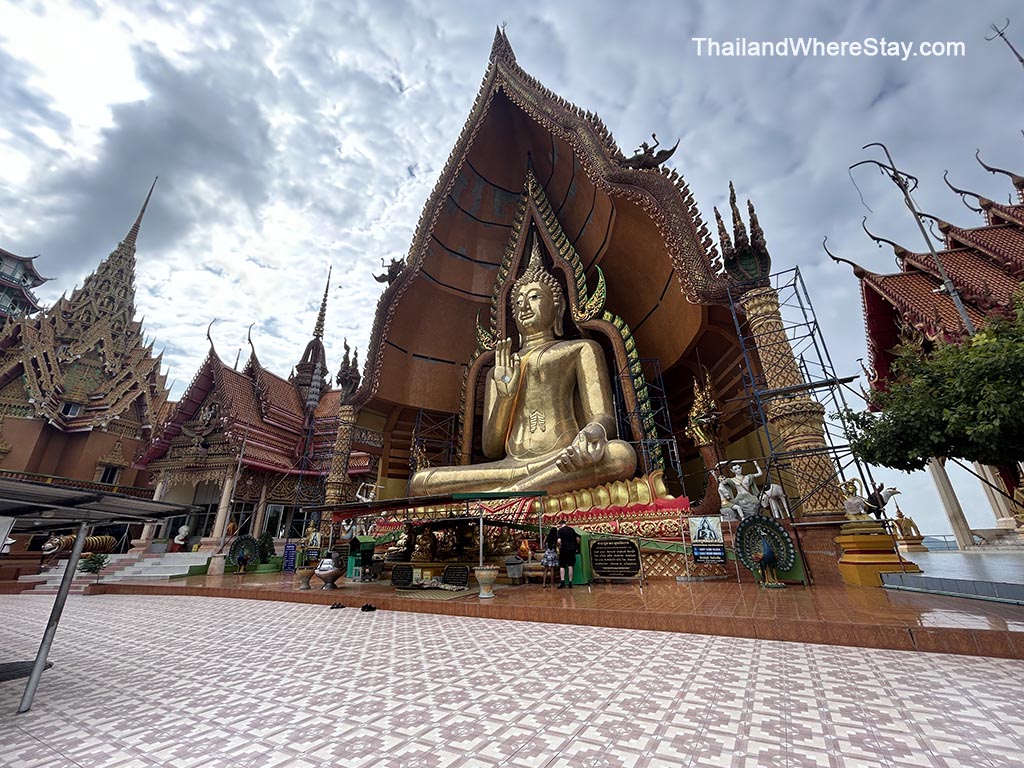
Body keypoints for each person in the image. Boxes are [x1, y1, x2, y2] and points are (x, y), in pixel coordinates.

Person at [409, 241, 636, 496]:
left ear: (558, 307)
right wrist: (506, 397)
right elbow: (492, 449)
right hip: (510, 467)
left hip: (562, 460)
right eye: (517, 302)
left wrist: (592, 433)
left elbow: (603, 416)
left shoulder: (581, 349)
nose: (524, 306)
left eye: (535, 297)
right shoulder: (502, 368)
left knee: (620, 455)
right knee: (421, 481)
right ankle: (522, 491)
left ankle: (505, 497)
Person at [557, 518, 580, 589]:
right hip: (572, 549)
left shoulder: (560, 530)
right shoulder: (571, 530)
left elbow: (559, 540)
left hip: (564, 549)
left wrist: (559, 546)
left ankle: (562, 582)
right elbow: (578, 539)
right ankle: (570, 582)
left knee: (562, 565)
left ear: (560, 525)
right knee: (570, 565)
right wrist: (576, 546)